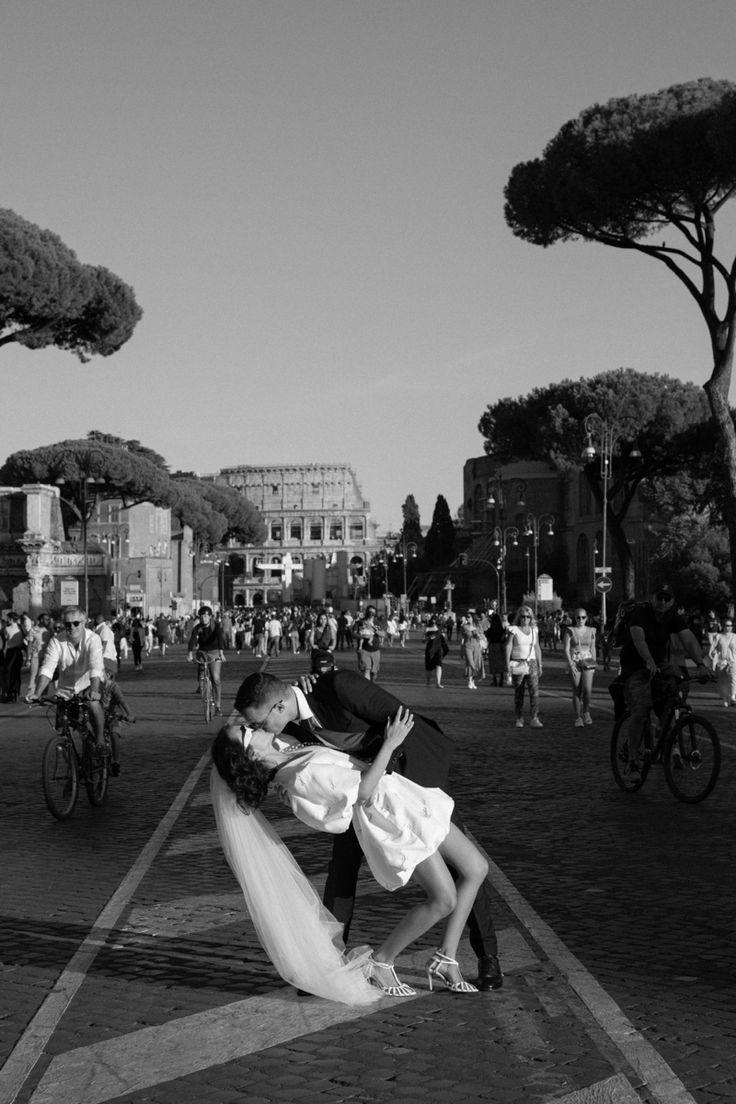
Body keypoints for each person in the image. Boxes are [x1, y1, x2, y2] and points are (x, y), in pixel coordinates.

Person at [234, 668, 504, 991]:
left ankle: (480, 954)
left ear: (279, 706)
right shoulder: (287, 728)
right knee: (344, 874)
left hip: (411, 779)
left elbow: (400, 720)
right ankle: (337, 963)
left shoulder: (333, 688)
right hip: (369, 801)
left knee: (471, 868)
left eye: (260, 723)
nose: (259, 728)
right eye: (255, 727)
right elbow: (289, 756)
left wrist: (391, 767)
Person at [617, 585, 709, 781]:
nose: (663, 602)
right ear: (653, 598)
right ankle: (632, 761)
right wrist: (648, 660)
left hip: (660, 664)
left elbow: (689, 640)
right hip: (636, 666)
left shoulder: (673, 616)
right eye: (660, 598)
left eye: (667, 599)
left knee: (679, 686)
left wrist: (701, 664)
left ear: (672, 602)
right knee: (640, 710)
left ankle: (666, 733)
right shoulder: (641, 614)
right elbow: (638, 639)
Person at [32, 607, 107, 751]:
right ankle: (71, 765)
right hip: (65, 690)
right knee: (62, 731)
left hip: (88, 685)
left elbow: (95, 666)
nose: (71, 627)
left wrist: (94, 690)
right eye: (67, 624)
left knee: (93, 705)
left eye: (76, 623)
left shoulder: (93, 639)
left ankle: (100, 739)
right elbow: (47, 668)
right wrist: (37, 693)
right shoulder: (56, 641)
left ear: (84, 622)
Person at [505, 606, 544, 728]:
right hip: (518, 663)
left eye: (528, 616)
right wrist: (507, 664)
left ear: (531, 618)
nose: (525, 619)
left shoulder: (534, 630)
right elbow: (508, 646)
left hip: (531, 663)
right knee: (519, 692)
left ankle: (534, 718)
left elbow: (537, 647)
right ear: (519, 617)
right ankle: (519, 718)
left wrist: (540, 664)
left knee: (534, 692)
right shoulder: (514, 629)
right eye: (523, 616)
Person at [187, 606, 226, 716]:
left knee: (216, 679)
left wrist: (221, 653)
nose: (203, 618)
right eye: (201, 616)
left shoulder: (215, 626)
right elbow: (193, 640)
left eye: (205, 616)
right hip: (202, 652)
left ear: (210, 616)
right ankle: (202, 681)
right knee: (200, 663)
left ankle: (218, 706)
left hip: (214, 652)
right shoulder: (198, 628)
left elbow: (220, 639)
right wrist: (189, 653)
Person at [563, 608, 598, 727]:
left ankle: (586, 712)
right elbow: (566, 648)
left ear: (586, 618)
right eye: (578, 617)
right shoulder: (570, 630)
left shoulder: (592, 630)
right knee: (577, 690)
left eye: (583, 617)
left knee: (587, 690)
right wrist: (570, 664)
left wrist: (594, 662)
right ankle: (578, 717)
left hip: (588, 660)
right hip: (575, 660)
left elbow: (593, 647)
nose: (580, 620)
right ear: (575, 618)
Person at [709, 615, 736, 706]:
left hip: (733, 661)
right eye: (726, 625)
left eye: (730, 626)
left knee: (733, 678)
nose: (728, 627)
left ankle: (732, 696)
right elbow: (713, 649)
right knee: (722, 682)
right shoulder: (718, 636)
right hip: (721, 662)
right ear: (723, 626)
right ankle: (725, 698)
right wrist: (713, 656)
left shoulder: (735, 636)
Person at [355, 605, 382, 681]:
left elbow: (383, 634)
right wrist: (362, 636)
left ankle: (372, 683)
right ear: (366, 612)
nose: (371, 614)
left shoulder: (377, 622)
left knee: (373, 673)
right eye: (370, 612)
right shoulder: (360, 622)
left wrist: (374, 629)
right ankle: (368, 688)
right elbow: (353, 634)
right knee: (366, 670)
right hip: (364, 650)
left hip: (376, 651)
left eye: (373, 612)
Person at [485, 604, 507, 687]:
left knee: (493, 663)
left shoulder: (490, 630)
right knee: (500, 664)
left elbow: (487, 636)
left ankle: (494, 680)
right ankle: (501, 679)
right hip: (500, 647)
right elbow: (504, 639)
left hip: (492, 646)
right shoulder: (502, 630)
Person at [460, 616, 484, 690]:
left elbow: (482, 637)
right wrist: (461, 649)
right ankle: (470, 681)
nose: (468, 618)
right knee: (470, 663)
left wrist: (478, 636)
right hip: (468, 646)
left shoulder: (477, 626)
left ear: (473, 618)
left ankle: (473, 681)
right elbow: (462, 638)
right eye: (467, 617)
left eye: (469, 617)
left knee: (476, 663)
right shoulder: (464, 627)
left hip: (476, 646)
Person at [424, 622, 447, 688]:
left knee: (438, 665)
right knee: (429, 667)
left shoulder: (441, 632)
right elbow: (425, 640)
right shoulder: (429, 630)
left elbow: (444, 642)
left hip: (439, 650)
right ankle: (428, 681)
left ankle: (438, 683)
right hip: (430, 650)